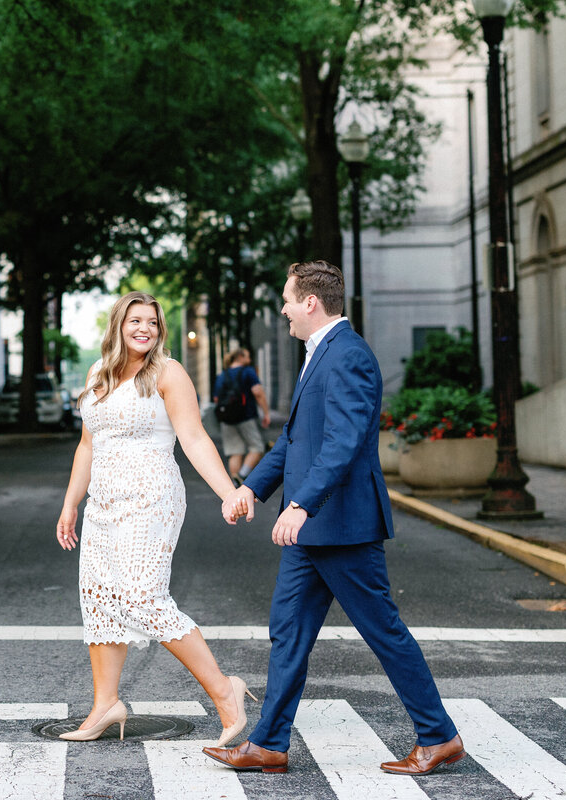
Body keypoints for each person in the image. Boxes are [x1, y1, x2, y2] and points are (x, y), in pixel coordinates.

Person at [204, 260, 463, 776]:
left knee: (383, 630)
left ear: (310, 303)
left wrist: (300, 505)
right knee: (288, 631)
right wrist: (250, 489)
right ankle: (269, 745)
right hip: (311, 532)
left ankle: (439, 737)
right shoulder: (319, 354)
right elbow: (297, 442)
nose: (283, 309)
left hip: (341, 525)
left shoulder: (348, 356)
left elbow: (343, 444)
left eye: (286, 300)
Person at [56, 291, 254, 744]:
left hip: (152, 497)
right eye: (135, 320)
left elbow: (195, 437)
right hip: (103, 503)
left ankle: (226, 692)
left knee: (143, 598)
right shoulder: (98, 374)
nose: (144, 328)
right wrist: (71, 504)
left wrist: (228, 492)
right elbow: (87, 446)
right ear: (118, 327)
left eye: (152, 322)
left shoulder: (167, 372)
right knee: (100, 599)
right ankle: (105, 704)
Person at [212, 348, 271, 485]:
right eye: (247, 357)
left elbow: (216, 399)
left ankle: (234, 484)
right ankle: (242, 476)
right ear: (240, 357)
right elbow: (258, 392)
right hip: (246, 416)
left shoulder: (222, 376)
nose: (249, 360)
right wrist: (266, 413)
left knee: (235, 451)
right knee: (257, 448)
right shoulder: (248, 372)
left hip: (226, 418)